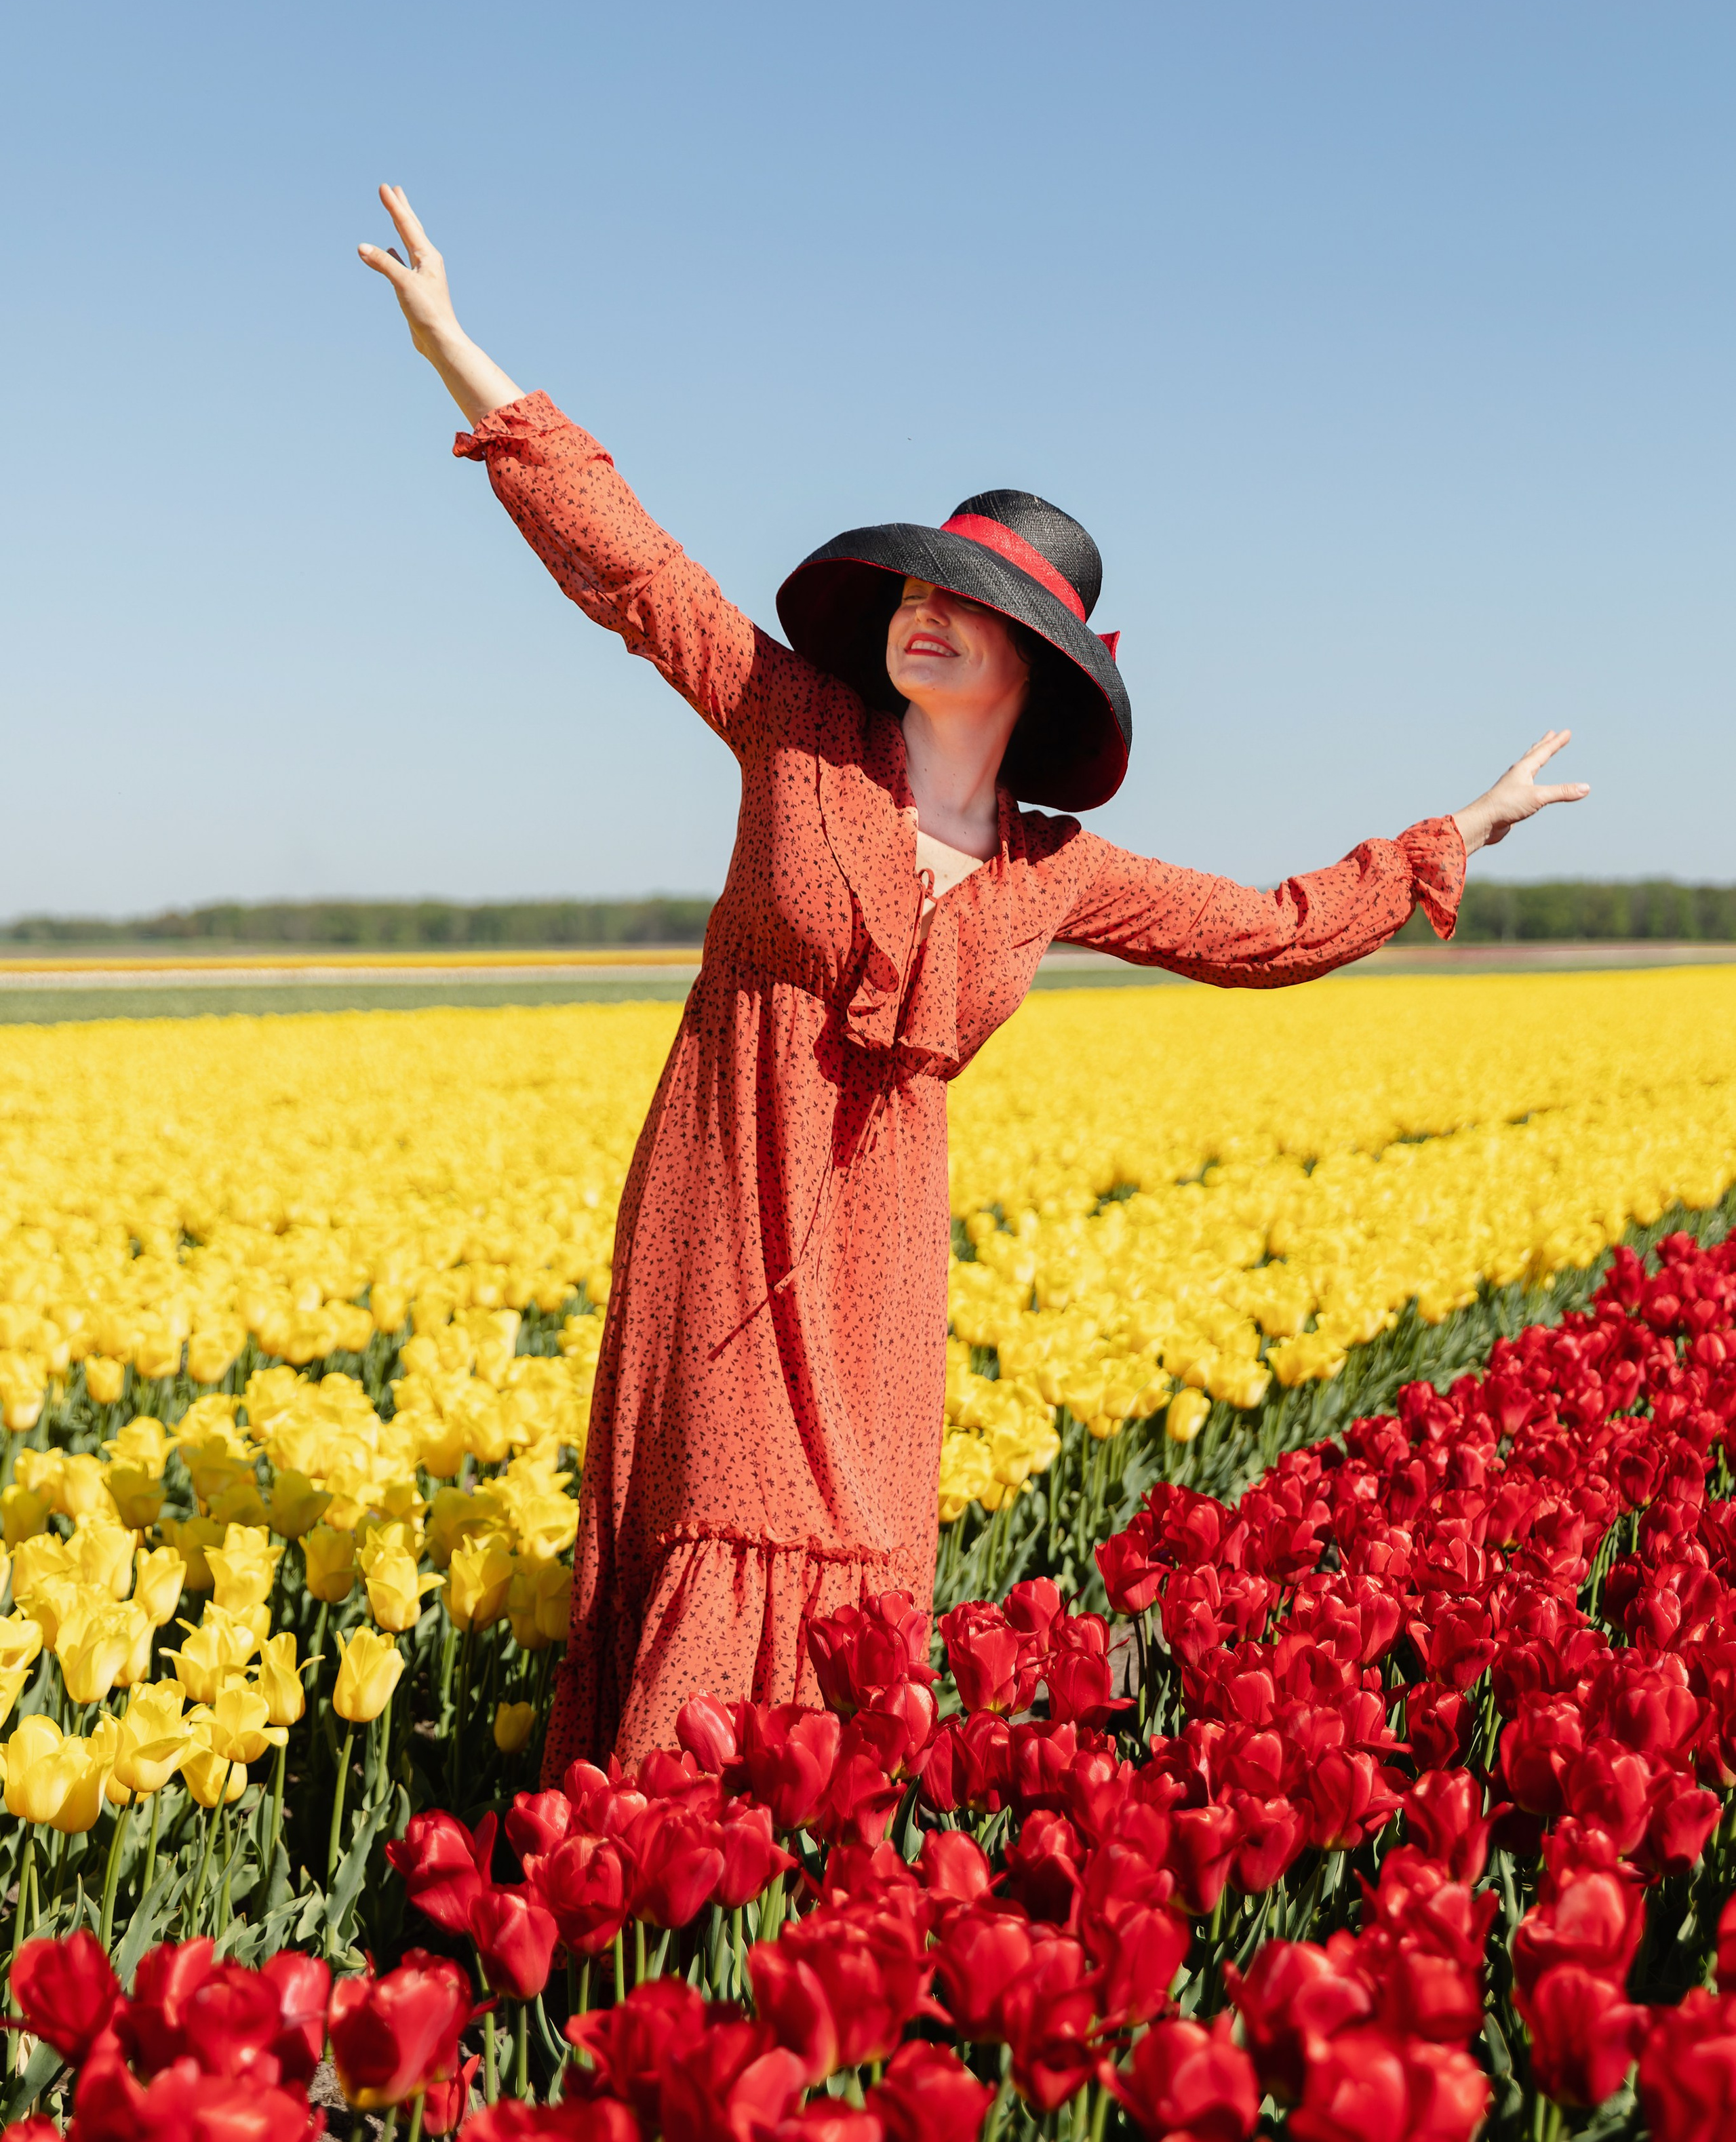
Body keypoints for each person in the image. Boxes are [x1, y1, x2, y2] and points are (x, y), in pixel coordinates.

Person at [359, 183, 1590, 1781]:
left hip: (879, 1258)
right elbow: (640, 574)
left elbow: (1268, 930)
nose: (925, 614)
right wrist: (457, 350)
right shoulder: (794, 727)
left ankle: (804, 1862)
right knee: (726, 1504)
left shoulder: (1051, 870)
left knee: (854, 1545)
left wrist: (1455, 833)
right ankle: (655, 1845)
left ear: (1041, 665)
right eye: (918, 590)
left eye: (971, 605)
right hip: (729, 1189)